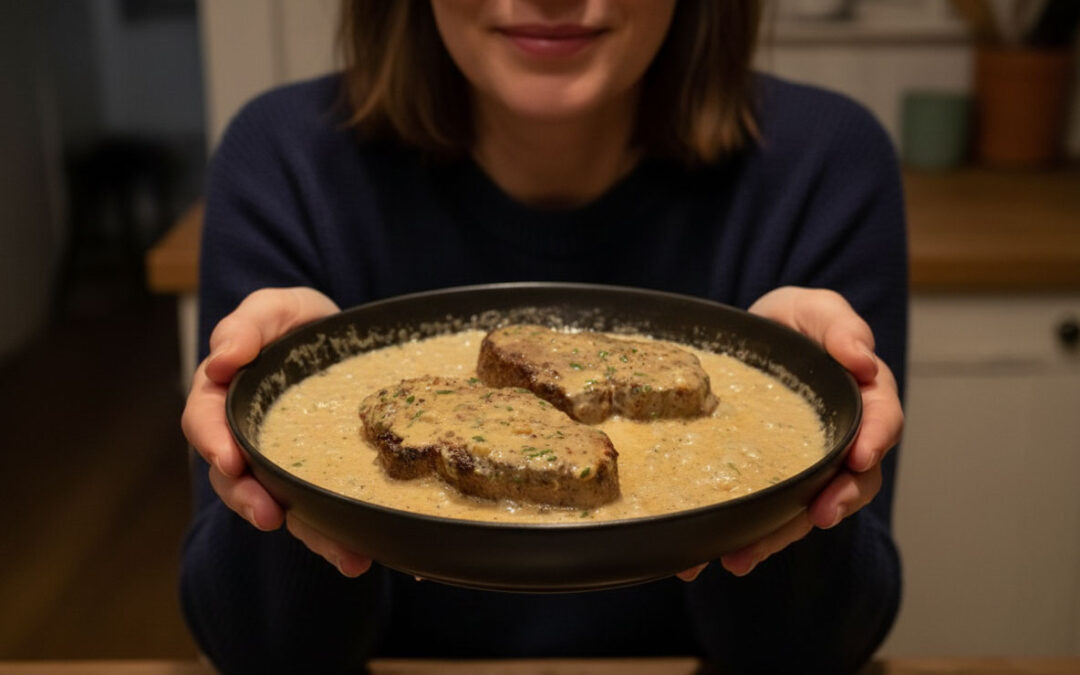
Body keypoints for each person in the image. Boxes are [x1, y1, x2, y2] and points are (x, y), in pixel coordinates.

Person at [180, 1, 906, 672]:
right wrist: (278, 458)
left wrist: (801, 471)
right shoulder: (285, 160)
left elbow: (820, 648)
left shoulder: (824, 165)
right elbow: (256, 647)